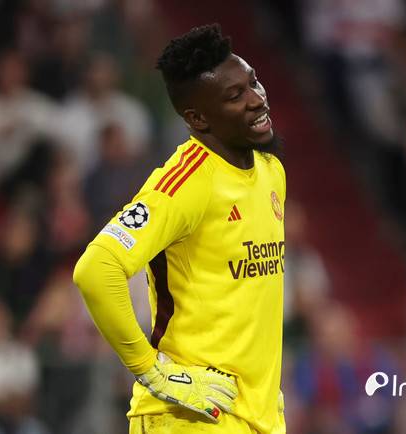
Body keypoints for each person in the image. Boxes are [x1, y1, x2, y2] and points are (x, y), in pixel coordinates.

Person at [73, 23, 286, 434]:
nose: (257, 99)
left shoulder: (270, 171)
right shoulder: (185, 183)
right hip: (189, 415)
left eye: (253, 82)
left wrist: (262, 387)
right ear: (197, 118)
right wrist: (151, 371)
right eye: (235, 96)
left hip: (252, 415)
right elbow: (96, 269)